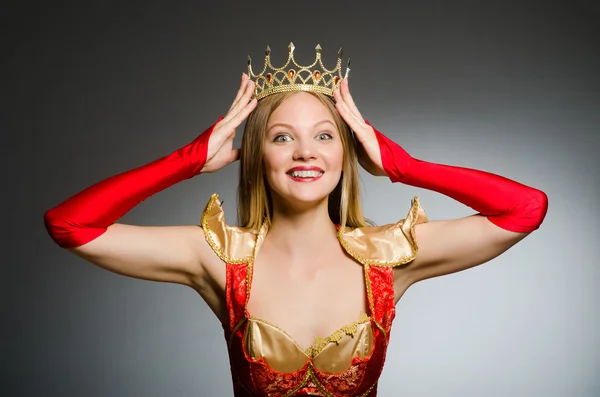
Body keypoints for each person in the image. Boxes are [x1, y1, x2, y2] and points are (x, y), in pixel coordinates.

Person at [44, 44, 548, 397]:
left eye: (325, 136)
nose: (306, 152)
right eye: (283, 137)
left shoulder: (391, 257)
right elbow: (70, 225)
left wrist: (402, 165)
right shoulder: (218, 258)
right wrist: (188, 160)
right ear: (257, 153)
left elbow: (526, 209)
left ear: (346, 153)